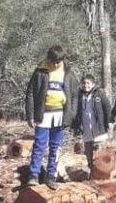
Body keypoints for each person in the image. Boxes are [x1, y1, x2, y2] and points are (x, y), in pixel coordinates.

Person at [24, 45, 79, 189]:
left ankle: (50, 176)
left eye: (58, 62)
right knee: (39, 145)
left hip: (60, 114)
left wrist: (71, 114)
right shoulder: (40, 71)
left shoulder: (68, 73)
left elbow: (74, 95)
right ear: (48, 59)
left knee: (56, 146)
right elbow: (30, 93)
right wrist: (30, 115)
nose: (55, 64)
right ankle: (34, 175)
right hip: (43, 114)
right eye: (53, 61)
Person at [72, 74, 112, 169]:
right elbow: (76, 110)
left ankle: (102, 167)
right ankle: (90, 166)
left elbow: (107, 107)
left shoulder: (99, 93)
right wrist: (76, 124)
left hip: (98, 125)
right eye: (84, 83)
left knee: (99, 146)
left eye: (88, 83)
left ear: (93, 84)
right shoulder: (79, 95)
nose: (86, 85)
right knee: (88, 145)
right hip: (85, 124)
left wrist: (109, 120)